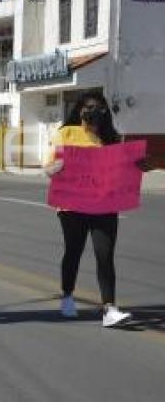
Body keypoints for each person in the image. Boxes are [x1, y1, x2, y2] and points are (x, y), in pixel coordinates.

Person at [44, 91, 155, 328]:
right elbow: (49, 166)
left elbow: (125, 169)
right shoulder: (66, 133)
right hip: (72, 206)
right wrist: (56, 167)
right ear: (80, 109)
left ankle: (109, 308)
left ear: (104, 112)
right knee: (73, 251)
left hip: (105, 205)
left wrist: (141, 166)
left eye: (98, 107)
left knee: (105, 255)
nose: (92, 111)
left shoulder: (112, 139)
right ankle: (67, 296)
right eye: (88, 106)